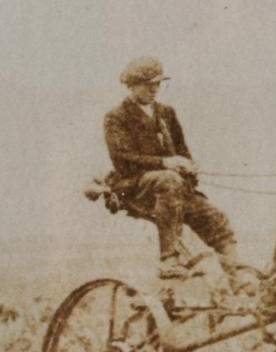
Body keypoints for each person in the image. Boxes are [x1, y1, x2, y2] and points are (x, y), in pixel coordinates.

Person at [103, 56, 250, 286]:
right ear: (131, 85)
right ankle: (169, 259)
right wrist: (166, 163)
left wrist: (189, 167)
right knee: (169, 180)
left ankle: (238, 277)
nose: (154, 89)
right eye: (148, 85)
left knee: (216, 217)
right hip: (135, 185)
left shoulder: (166, 113)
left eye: (158, 84)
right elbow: (123, 159)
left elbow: (181, 150)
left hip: (173, 187)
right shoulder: (116, 117)